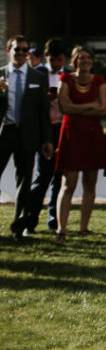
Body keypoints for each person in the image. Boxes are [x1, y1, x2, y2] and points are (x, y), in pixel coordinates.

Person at [1, 36, 55, 242]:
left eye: (25, 50)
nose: (22, 53)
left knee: (24, 181)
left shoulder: (37, 77)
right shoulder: (0, 75)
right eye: (17, 50)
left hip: (27, 134)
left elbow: (43, 112)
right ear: (9, 51)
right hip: (5, 131)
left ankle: (19, 226)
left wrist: (47, 140)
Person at [53, 46, 106, 241]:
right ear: (74, 61)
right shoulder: (65, 79)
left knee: (90, 184)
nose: (85, 61)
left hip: (92, 134)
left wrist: (76, 108)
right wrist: (90, 105)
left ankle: (84, 227)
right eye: (81, 58)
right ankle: (62, 229)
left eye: (88, 58)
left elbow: (103, 109)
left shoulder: (99, 80)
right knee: (68, 183)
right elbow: (64, 107)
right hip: (71, 134)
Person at [26, 37, 67, 233]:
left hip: (63, 128)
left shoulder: (69, 75)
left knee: (59, 177)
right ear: (46, 56)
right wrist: (45, 99)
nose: (56, 64)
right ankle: (30, 219)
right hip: (45, 129)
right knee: (43, 176)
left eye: (59, 60)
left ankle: (54, 220)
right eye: (53, 60)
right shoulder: (37, 73)